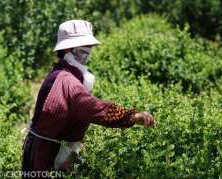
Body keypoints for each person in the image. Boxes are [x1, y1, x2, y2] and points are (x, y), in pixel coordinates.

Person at [21, 20, 155, 176]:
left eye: (90, 46)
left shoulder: (63, 73)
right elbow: (93, 108)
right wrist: (132, 116)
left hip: (43, 150)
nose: (89, 50)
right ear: (68, 49)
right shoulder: (67, 80)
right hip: (43, 156)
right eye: (84, 46)